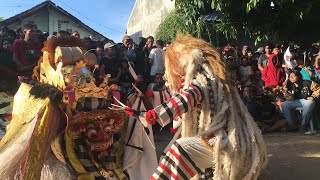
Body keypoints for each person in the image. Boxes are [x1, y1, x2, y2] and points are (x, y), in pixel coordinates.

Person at [118, 34, 267, 179]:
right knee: (190, 160)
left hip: (224, 142)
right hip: (235, 143)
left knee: (181, 149)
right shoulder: (217, 81)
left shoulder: (201, 81)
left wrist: (153, 115)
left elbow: (186, 98)